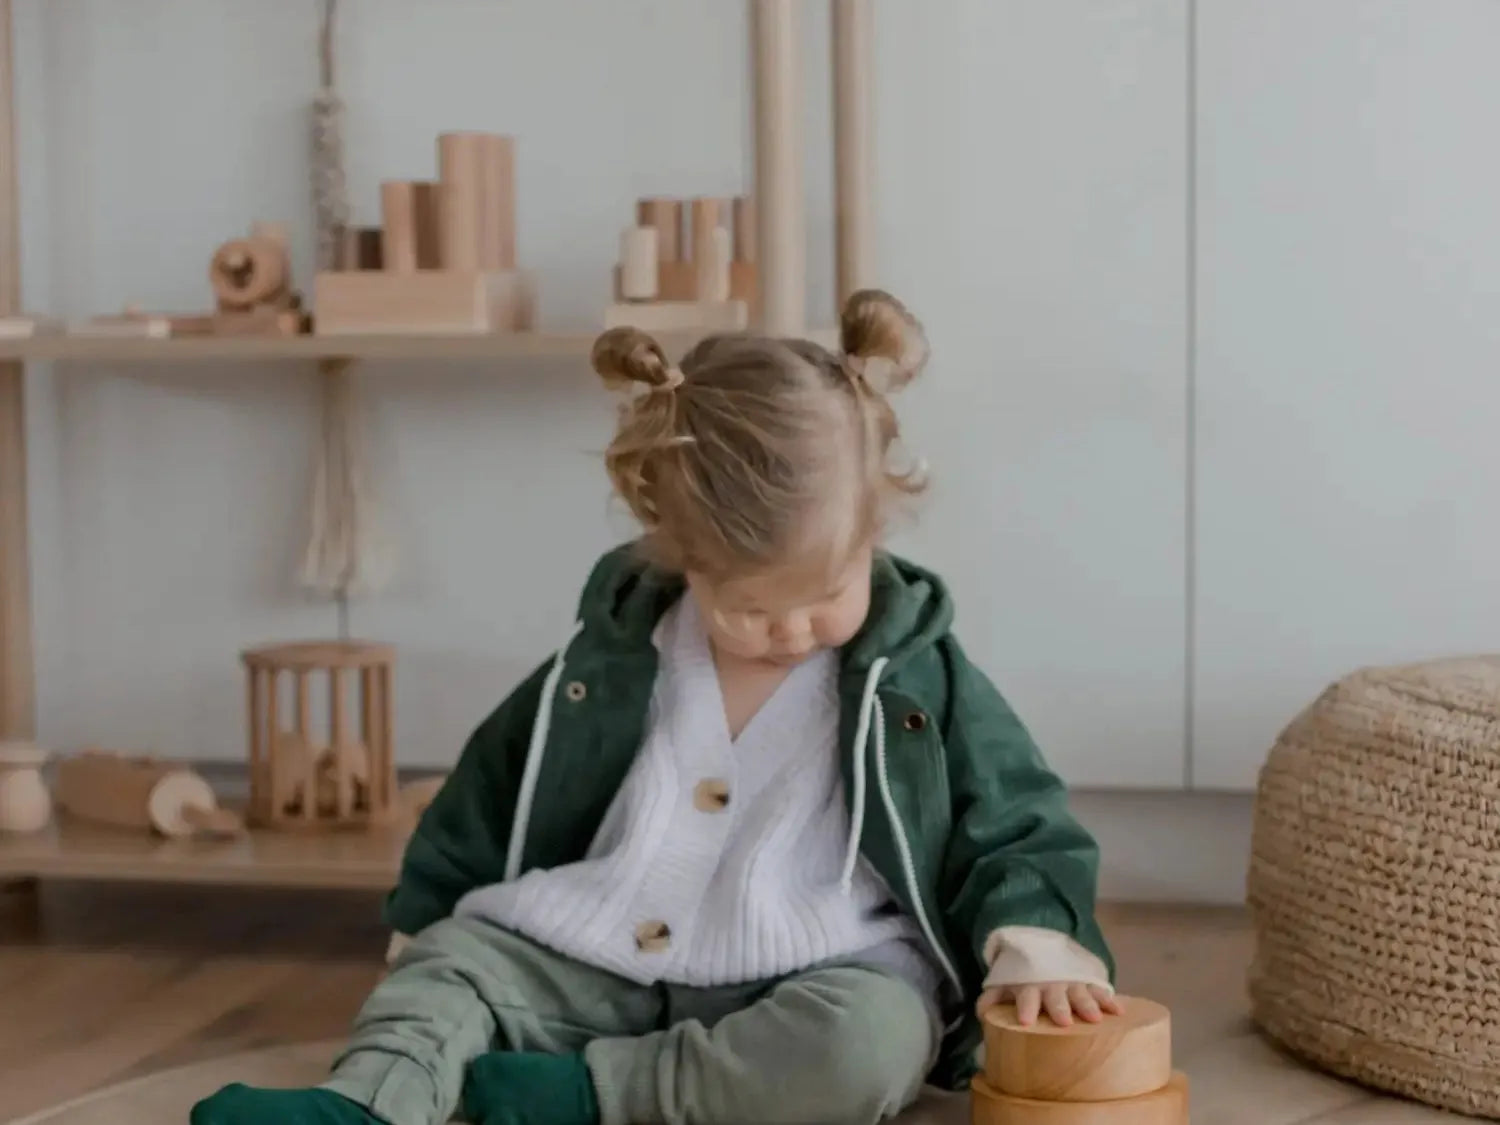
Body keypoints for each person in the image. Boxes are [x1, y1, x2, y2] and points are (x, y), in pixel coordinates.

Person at [191, 290, 1116, 1125]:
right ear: (677, 553)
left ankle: (600, 1093)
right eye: (750, 607)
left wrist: (1034, 941)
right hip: (596, 958)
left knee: (870, 1044)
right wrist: (429, 920)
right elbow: (490, 786)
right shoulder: (618, 656)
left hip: (812, 976)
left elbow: (1015, 811)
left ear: (874, 531)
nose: (792, 630)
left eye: (827, 590)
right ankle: (365, 1105)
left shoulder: (917, 678)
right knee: (452, 970)